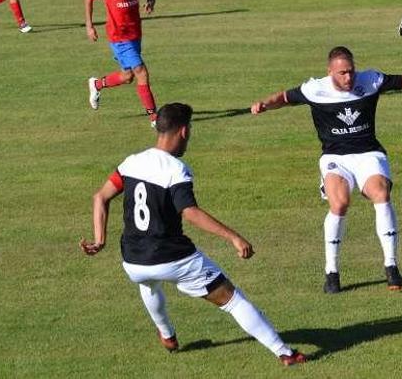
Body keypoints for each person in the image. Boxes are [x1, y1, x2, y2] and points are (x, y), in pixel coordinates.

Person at [79, 103, 306, 366]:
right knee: (231, 300)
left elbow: (100, 197)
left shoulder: (131, 162)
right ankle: (285, 352)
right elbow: (189, 212)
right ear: (184, 131)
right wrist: (233, 236)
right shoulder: (176, 169)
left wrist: (100, 240)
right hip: (172, 258)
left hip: (133, 260)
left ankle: (167, 336)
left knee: (148, 282)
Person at [250, 46, 402, 294]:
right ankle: (331, 271)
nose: (349, 78)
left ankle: (391, 266)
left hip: (368, 153)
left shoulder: (371, 80)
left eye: (351, 71)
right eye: (342, 73)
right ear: (330, 72)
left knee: (380, 193)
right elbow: (284, 97)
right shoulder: (315, 89)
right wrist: (264, 104)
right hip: (335, 157)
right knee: (340, 204)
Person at [85, 0, 158, 126]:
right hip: (118, 36)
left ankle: (97, 84)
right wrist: (89, 25)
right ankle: (154, 118)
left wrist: (150, 2)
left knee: (128, 76)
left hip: (135, 34)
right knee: (141, 72)